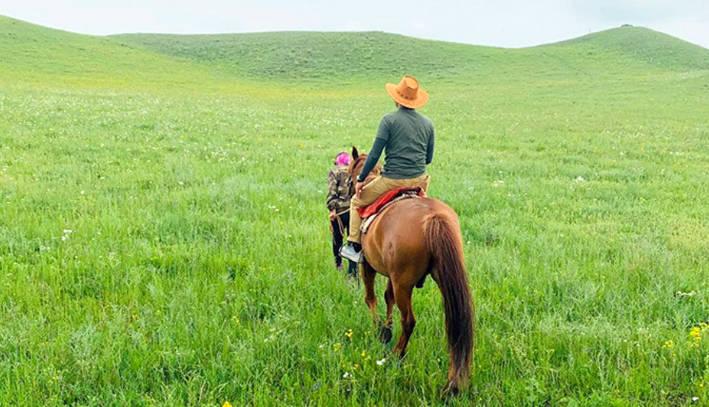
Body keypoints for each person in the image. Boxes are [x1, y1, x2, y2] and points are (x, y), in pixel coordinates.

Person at [341, 75, 434, 263]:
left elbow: (374, 155)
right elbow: (428, 159)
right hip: (420, 181)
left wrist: (360, 180)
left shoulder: (388, 120)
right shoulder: (428, 123)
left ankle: (353, 245)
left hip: (392, 180)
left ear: (396, 98)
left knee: (356, 202)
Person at [327, 152, 357, 274]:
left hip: (339, 213)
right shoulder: (353, 173)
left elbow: (331, 192)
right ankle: (353, 269)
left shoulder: (334, 173)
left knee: (337, 239)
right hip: (353, 211)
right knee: (353, 240)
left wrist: (332, 209)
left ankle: (338, 264)